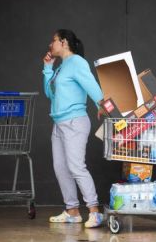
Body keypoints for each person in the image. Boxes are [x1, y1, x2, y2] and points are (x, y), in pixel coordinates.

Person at [42, 29, 104, 228]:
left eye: (54, 40)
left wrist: (101, 105)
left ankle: (94, 211)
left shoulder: (77, 62)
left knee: (76, 167)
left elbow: (91, 84)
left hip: (75, 122)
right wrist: (48, 69)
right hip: (59, 124)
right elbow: (50, 94)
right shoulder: (61, 67)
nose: (51, 45)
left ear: (64, 42)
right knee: (61, 168)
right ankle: (73, 211)